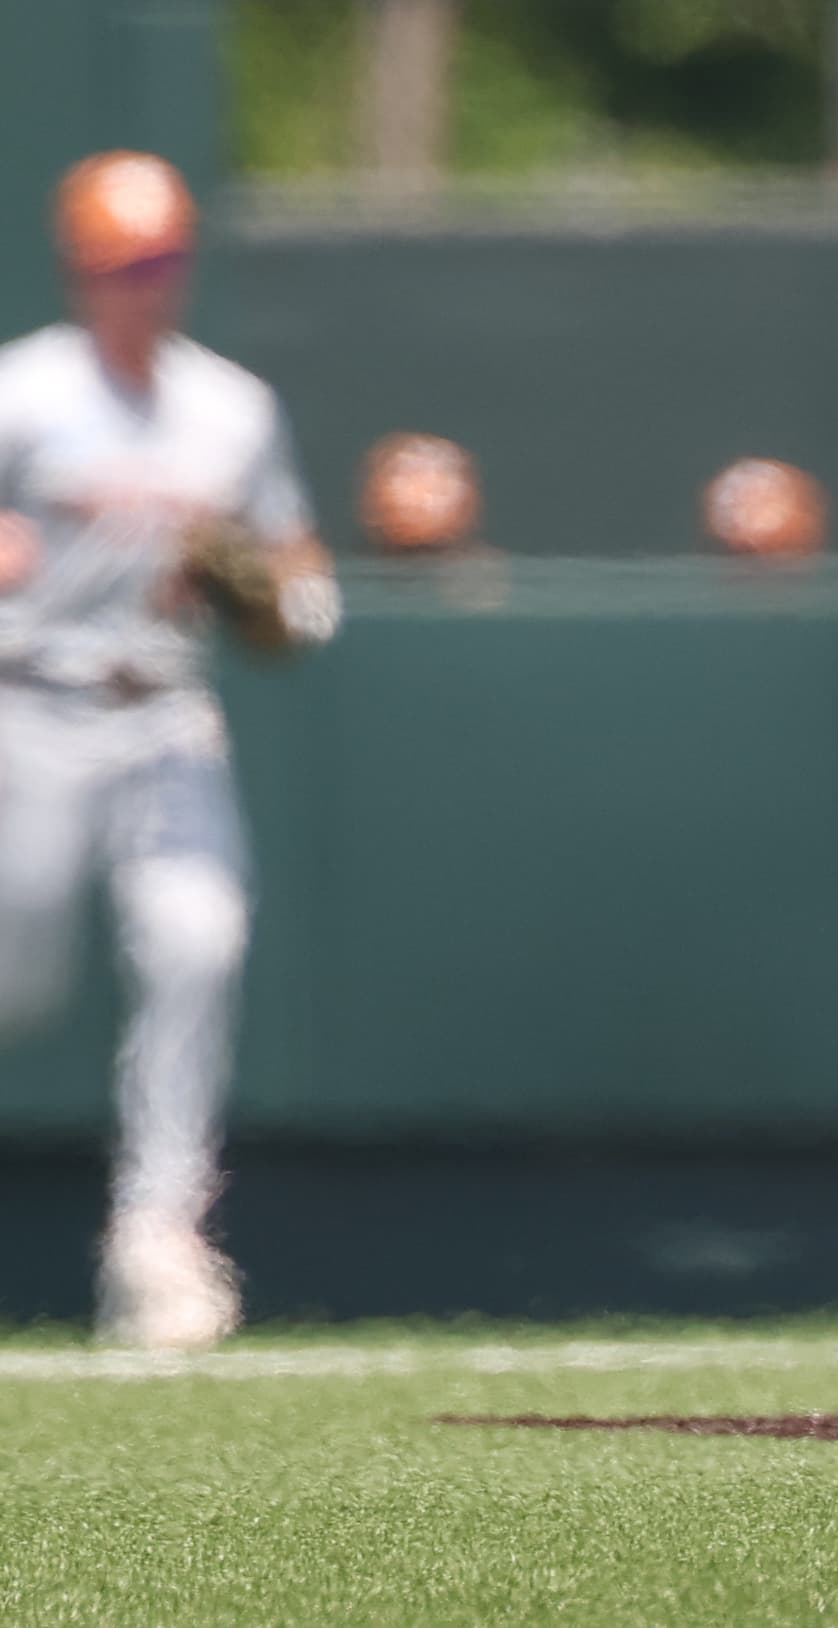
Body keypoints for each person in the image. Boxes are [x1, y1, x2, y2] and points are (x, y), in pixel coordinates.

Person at [0, 152, 339, 1348]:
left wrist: (270, 598)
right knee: (18, 981)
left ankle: (158, 1238)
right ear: (80, 267)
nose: (146, 284)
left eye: (162, 261)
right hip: (29, 706)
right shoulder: (24, 394)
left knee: (199, 941)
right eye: (122, 264)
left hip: (162, 712)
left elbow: (301, 587)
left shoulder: (230, 408)